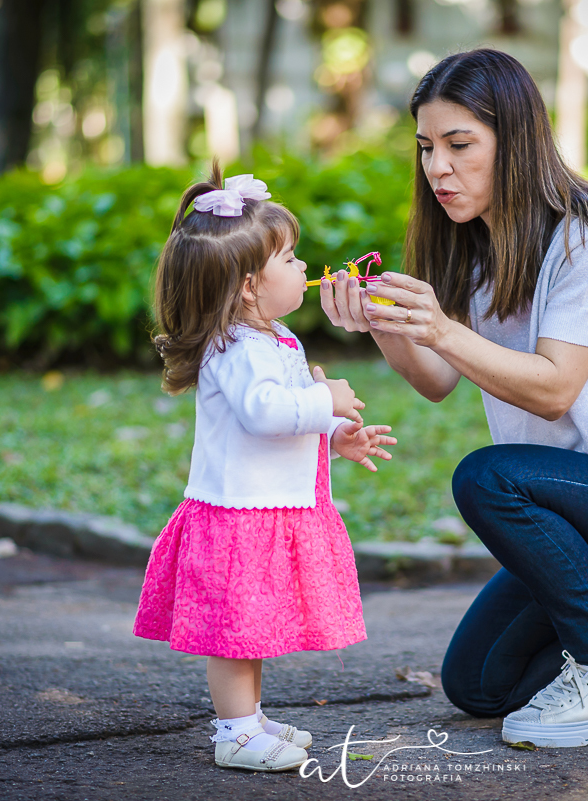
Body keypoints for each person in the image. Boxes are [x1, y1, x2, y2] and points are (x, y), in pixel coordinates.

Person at [319, 49, 588, 748]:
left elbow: (553, 389)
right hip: (585, 519)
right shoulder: (475, 247)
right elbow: (435, 381)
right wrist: (385, 325)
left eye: (461, 145)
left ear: (514, 141)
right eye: (427, 148)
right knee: (479, 684)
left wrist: (441, 328)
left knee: (487, 477)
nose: (437, 168)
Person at [132, 166, 398, 771]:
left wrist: (335, 435)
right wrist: (325, 401)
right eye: (291, 259)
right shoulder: (234, 347)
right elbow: (265, 413)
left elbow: (288, 421)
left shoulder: (274, 338)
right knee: (233, 633)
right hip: (236, 516)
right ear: (250, 286)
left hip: (265, 510)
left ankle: (248, 719)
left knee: (249, 627)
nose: (305, 267)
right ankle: (234, 732)